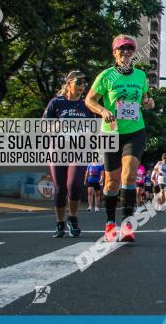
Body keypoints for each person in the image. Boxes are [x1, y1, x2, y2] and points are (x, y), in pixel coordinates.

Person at [84, 35, 154, 242]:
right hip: (111, 132)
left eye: (129, 49)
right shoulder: (106, 76)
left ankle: (127, 225)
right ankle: (110, 223)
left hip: (135, 131)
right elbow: (89, 100)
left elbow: (144, 99)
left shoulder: (141, 75)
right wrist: (103, 111)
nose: (125, 52)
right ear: (114, 53)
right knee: (112, 183)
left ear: (134, 52)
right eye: (121, 49)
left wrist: (149, 102)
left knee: (129, 175)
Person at [43, 70, 94, 237]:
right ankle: (59, 223)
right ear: (69, 83)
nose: (82, 86)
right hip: (58, 148)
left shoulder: (86, 105)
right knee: (60, 189)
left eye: (84, 83)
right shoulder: (56, 102)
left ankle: (72, 218)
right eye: (78, 83)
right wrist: (55, 127)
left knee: (75, 186)